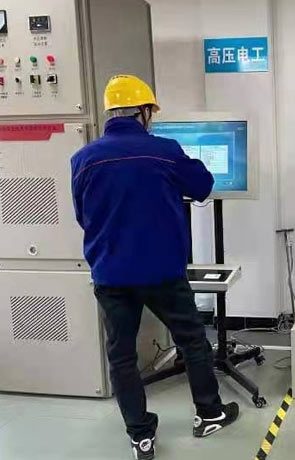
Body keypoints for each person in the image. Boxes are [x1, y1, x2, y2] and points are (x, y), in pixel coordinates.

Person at [71, 75, 239, 460]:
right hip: (162, 271)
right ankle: (209, 414)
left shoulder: (82, 159)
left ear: (110, 112)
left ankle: (140, 436)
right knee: (191, 340)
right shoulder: (164, 150)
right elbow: (202, 185)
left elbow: (83, 215)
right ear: (145, 112)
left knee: (121, 356)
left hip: (111, 274)